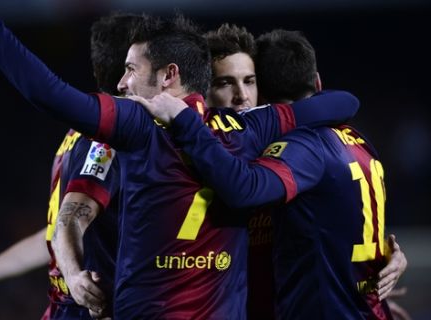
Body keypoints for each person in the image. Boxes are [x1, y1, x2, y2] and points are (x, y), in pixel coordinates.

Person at [0, 1, 360, 318]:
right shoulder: (252, 129)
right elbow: (344, 101)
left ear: (168, 76)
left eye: (131, 69)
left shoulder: (137, 124)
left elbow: (45, 91)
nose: (122, 83)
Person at [135, 29, 403, 319]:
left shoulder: (290, 150)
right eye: (225, 83)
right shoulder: (174, 154)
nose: (241, 96)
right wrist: (79, 273)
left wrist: (385, 258)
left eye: (249, 82)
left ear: (262, 91)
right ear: (201, 90)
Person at [0, 12, 144, 319]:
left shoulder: (75, 136)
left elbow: (57, 232)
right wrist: (74, 278)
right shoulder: (109, 141)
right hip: (90, 308)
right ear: (133, 71)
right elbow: (67, 226)